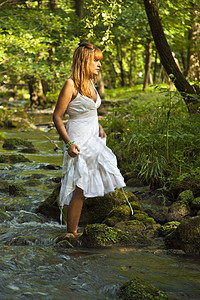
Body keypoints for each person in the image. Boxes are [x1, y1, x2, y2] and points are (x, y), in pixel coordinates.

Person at [53, 42, 126, 236]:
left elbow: (90, 112)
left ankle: (70, 228)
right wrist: (69, 143)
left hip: (92, 137)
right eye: (95, 60)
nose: (99, 64)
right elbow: (57, 117)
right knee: (79, 185)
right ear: (84, 61)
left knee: (82, 184)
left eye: (99, 61)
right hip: (76, 139)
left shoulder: (91, 84)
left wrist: (99, 127)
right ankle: (72, 233)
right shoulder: (71, 85)